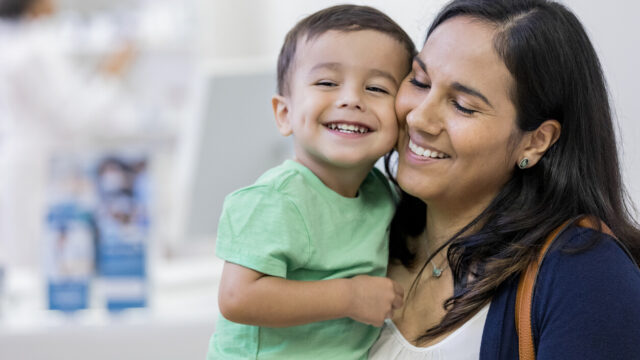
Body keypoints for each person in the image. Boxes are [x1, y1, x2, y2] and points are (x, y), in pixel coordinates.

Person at [368, 0, 640, 359]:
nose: (419, 118)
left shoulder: (588, 277)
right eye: (420, 81)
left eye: (463, 105)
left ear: (535, 141)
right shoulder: (366, 223)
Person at [207, 5, 416, 360]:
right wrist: (350, 298)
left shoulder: (382, 194)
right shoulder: (275, 198)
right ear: (285, 114)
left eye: (377, 88)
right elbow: (237, 298)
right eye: (327, 83)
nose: (351, 99)